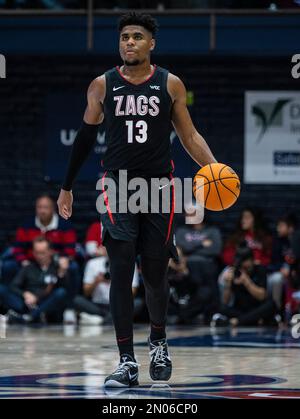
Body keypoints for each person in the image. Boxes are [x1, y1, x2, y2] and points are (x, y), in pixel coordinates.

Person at [57, 12, 217, 388]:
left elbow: (190, 136)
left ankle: (158, 342)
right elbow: (84, 137)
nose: (129, 42)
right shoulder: (102, 85)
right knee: (121, 267)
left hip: (160, 187)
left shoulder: (170, 83)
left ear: (151, 44)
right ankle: (126, 360)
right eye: (124, 37)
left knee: (157, 273)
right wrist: (66, 186)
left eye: (137, 37)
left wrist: (214, 168)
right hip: (118, 188)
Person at [0, 236, 68, 324]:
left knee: (60, 292)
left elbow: (63, 291)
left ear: (51, 251)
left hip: (45, 303)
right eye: (36, 253)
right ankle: (32, 316)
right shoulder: (29, 267)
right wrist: (25, 294)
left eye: (43, 253)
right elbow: (14, 286)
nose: (39, 256)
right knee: (2, 289)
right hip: (26, 303)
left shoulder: (56, 268)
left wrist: (62, 272)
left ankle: (30, 316)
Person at [213, 246, 277, 327]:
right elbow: (226, 302)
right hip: (241, 309)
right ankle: (253, 320)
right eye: (241, 266)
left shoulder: (260, 269)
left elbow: (262, 296)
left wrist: (246, 282)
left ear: (252, 260)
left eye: (246, 266)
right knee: (220, 307)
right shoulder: (234, 271)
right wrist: (227, 284)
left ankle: (237, 321)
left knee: (271, 305)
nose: (244, 268)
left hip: (257, 308)